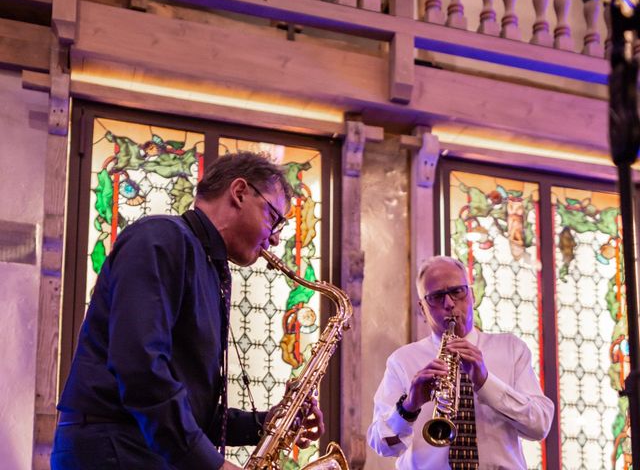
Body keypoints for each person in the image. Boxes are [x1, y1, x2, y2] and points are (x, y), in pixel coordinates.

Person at [51, 152, 324, 470]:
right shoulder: (160, 238)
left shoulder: (207, 265)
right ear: (239, 192)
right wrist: (210, 464)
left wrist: (265, 423)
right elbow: (139, 367)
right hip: (114, 446)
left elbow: (189, 409)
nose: (276, 239)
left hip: (137, 447)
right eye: (275, 219)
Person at [367, 255, 554, 469]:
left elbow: (540, 425)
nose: (449, 304)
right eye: (436, 297)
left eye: (457, 292)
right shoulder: (402, 360)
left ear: (472, 295)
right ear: (422, 308)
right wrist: (409, 406)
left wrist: (485, 381)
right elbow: (380, 444)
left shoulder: (511, 348)